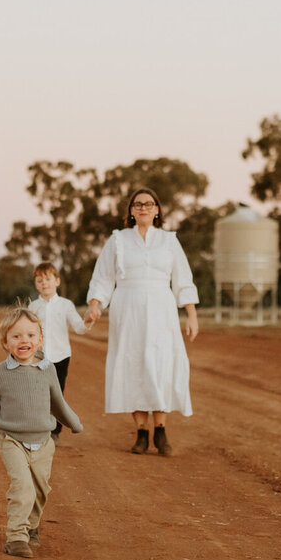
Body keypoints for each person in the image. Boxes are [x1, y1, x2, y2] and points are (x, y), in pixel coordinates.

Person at [84, 186, 199, 456]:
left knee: (160, 365)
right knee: (133, 364)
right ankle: (141, 433)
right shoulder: (118, 240)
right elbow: (102, 277)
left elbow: (183, 279)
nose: (143, 208)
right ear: (131, 211)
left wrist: (191, 314)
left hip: (162, 310)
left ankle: (160, 430)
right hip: (128, 310)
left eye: (148, 204)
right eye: (137, 205)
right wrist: (94, 305)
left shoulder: (169, 241)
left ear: (157, 209)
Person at [0, 306, 82, 558]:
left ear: (40, 340)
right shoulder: (0, 374)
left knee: (40, 490)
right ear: (5, 342)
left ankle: (32, 527)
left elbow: (57, 402)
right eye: (16, 336)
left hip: (43, 441)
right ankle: (16, 537)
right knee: (22, 486)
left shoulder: (48, 370)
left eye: (30, 335)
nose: (24, 340)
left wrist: (73, 423)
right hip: (11, 440)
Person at [27, 261, 91, 439]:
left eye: (48, 279)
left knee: (57, 394)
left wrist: (88, 322)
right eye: (39, 280)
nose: (44, 283)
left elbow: (78, 327)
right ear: (36, 284)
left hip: (61, 356)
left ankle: (55, 431)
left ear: (57, 281)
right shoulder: (33, 307)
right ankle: (39, 428)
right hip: (38, 357)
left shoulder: (66, 305)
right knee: (38, 392)